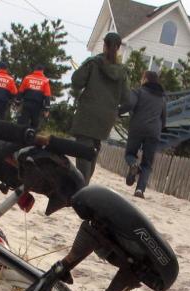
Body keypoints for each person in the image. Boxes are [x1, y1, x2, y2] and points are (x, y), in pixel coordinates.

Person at [70, 31, 130, 183]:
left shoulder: (93, 63)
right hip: (106, 118)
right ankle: (84, 183)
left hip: (87, 115)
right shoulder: (122, 72)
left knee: (83, 151)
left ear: (104, 45)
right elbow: (126, 98)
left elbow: (76, 81)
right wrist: (115, 110)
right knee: (93, 151)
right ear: (118, 48)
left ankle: (82, 186)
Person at [124, 70, 167, 199]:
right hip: (154, 132)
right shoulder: (162, 98)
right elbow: (164, 119)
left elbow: (129, 104)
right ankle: (140, 191)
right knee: (147, 164)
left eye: (142, 78)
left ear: (146, 80)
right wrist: (159, 128)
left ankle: (133, 165)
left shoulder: (138, 92)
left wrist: (118, 111)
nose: (141, 81)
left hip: (137, 128)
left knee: (130, 154)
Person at [16, 65, 52, 130]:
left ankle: (18, 137)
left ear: (35, 70)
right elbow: (47, 96)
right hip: (37, 106)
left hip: (27, 104)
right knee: (34, 124)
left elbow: (21, 91)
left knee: (22, 123)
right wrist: (47, 109)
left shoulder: (27, 78)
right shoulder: (45, 81)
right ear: (42, 71)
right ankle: (31, 137)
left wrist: (17, 103)